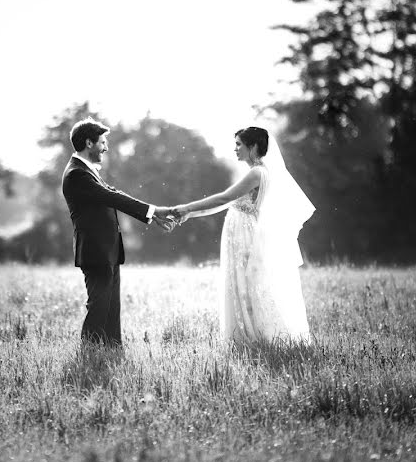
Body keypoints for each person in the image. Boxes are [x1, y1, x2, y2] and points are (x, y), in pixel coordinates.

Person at [170, 126, 314, 344]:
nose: (235, 149)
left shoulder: (258, 173)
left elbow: (223, 198)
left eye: (239, 144)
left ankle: (256, 336)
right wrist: (192, 213)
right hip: (240, 232)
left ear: (253, 146)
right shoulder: (257, 171)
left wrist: (186, 207)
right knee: (242, 284)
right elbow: (227, 202)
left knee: (246, 284)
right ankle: (252, 335)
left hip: (244, 235)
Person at [62, 117, 175, 347]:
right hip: (95, 252)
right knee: (99, 308)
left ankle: (113, 351)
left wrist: (152, 215)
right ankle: (90, 354)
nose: (106, 147)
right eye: (102, 142)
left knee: (111, 310)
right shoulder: (77, 174)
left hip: (107, 251)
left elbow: (113, 192)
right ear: (89, 143)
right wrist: (154, 211)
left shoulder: (88, 171)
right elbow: (111, 197)